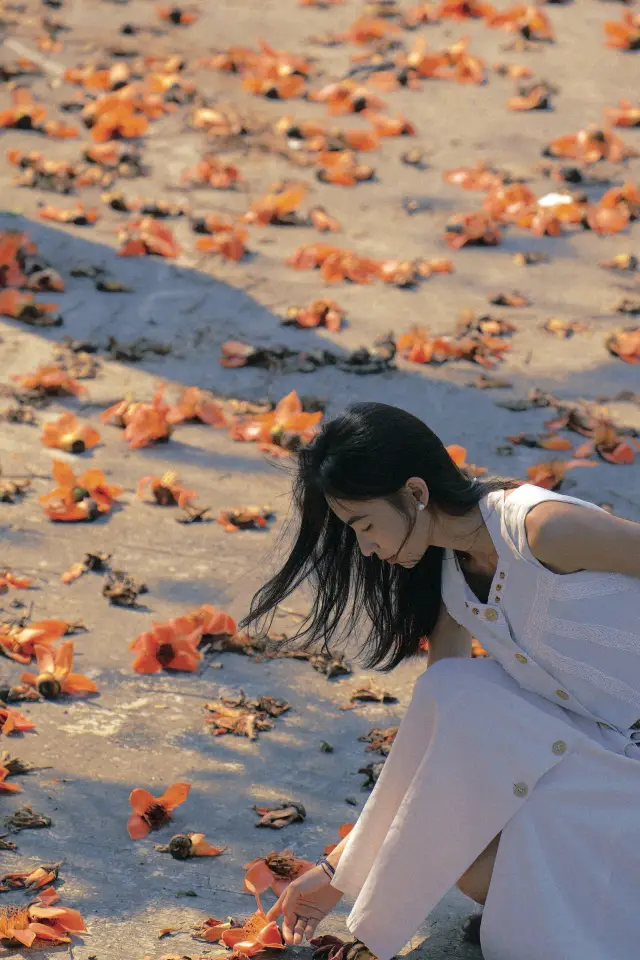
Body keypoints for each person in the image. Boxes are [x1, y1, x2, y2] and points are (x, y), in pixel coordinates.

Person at [240, 402, 640, 960]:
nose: (366, 547)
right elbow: (437, 751)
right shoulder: (450, 580)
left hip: (616, 760)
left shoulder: (543, 529)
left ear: (416, 492)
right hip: (594, 761)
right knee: (461, 849)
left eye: (364, 525)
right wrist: (338, 870)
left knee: (455, 695)